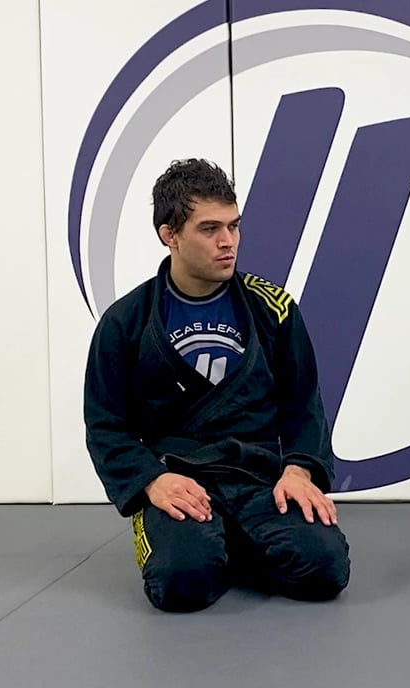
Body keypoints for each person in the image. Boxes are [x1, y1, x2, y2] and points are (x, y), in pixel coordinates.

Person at [83, 158, 349, 612]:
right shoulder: (126, 321)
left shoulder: (273, 309)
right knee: (180, 585)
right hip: (180, 481)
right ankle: (201, 546)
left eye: (233, 226)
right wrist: (152, 481)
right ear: (169, 235)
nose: (228, 242)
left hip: (259, 479)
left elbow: (304, 406)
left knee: (324, 569)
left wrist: (298, 471)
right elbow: (107, 425)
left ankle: (224, 542)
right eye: (209, 229)